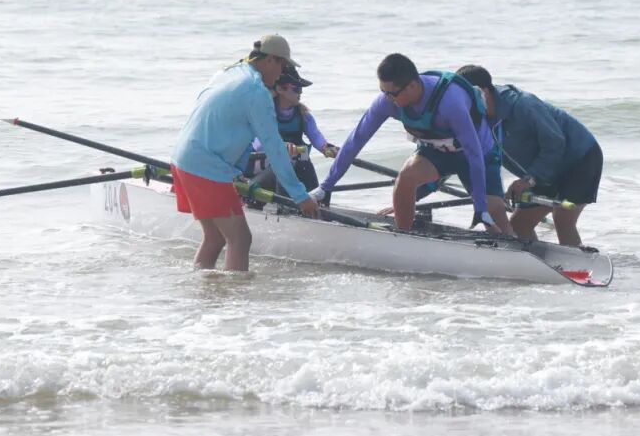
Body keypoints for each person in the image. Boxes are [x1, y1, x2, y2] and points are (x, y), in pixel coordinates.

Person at [308, 53, 511, 234]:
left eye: (392, 94)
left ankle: (515, 251)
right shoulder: (387, 101)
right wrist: (325, 187)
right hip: (437, 151)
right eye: (383, 91)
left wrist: (480, 209)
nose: (387, 98)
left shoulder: (450, 103)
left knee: (494, 215)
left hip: (479, 153)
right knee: (405, 178)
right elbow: (357, 139)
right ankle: (402, 236)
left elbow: (474, 154)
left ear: (412, 86)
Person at [170, 34, 319, 271]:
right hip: (207, 167)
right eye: (282, 65)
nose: (282, 72)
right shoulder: (256, 92)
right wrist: (300, 196)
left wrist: (235, 170)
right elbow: (275, 148)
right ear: (270, 60)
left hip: (182, 159)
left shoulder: (227, 73)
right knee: (240, 239)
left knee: (215, 238)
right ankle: (235, 295)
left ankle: (202, 286)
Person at [455, 65, 602, 246]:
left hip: (580, 159)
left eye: (463, 98)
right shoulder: (479, 117)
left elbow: (555, 142)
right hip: (541, 169)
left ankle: (578, 262)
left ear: (483, 92)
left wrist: (529, 180)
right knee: (518, 226)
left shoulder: (523, 104)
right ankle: (534, 260)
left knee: (563, 219)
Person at [247, 64, 340, 205]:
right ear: (280, 89)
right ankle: (285, 207)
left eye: (301, 89)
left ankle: (317, 202)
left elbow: (316, 137)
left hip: (293, 169)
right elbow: (259, 143)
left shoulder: (303, 115)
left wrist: (327, 148)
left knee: (303, 162)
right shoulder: (264, 113)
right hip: (262, 172)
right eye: (296, 89)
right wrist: (281, 147)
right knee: (287, 162)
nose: (300, 93)